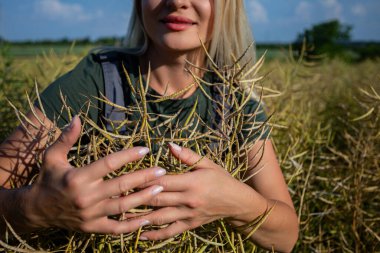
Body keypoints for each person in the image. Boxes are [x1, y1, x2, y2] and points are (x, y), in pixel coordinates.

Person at [0, 0, 299, 252]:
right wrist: (36, 208)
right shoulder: (94, 82)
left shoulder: (237, 105)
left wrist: (233, 201)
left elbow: (286, 236)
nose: (176, 1)